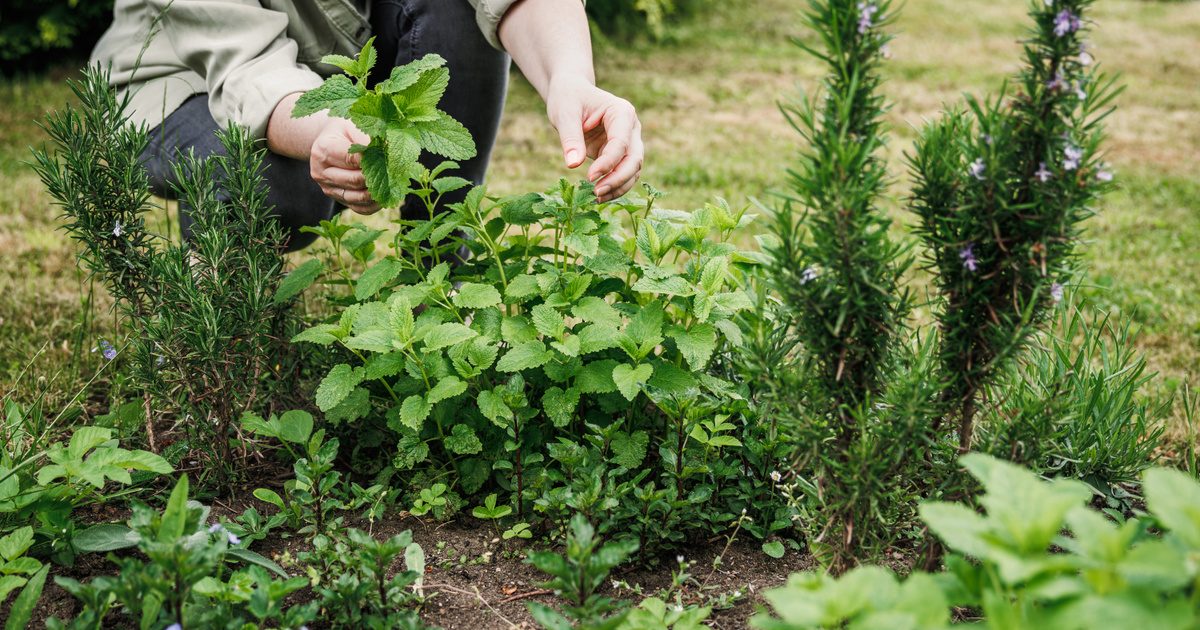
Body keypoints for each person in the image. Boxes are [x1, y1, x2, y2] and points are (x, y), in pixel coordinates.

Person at [92, 0, 645, 250]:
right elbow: (247, 70)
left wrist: (571, 78)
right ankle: (217, 299)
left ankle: (440, 264)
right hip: (176, 83)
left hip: (333, 63)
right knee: (279, 186)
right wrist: (330, 133)